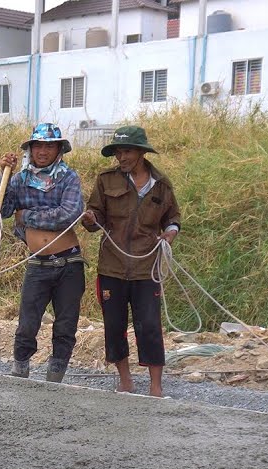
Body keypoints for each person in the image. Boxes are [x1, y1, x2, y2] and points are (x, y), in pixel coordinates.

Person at [81, 125, 182, 397]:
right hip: (112, 266)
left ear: (141, 153)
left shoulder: (161, 184)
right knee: (114, 325)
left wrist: (170, 234)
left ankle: (156, 386)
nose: (121, 157)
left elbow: (173, 218)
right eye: (117, 152)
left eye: (126, 151)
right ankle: (125, 381)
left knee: (149, 325)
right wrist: (90, 219)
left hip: (146, 268)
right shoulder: (106, 180)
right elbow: (94, 217)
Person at [0, 122, 85, 383]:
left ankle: (55, 376)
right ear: (31, 148)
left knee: (65, 324)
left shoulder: (68, 178)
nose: (43, 151)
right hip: (38, 262)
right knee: (27, 322)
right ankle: (20, 369)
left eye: (49, 146)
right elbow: (1, 210)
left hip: (68, 262)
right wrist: (3, 173)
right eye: (38, 145)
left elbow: (68, 215)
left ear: (59, 149)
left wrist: (27, 216)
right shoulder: (19, 179)